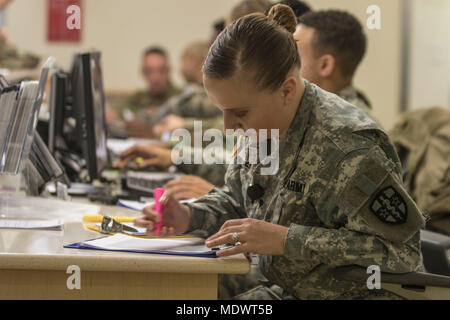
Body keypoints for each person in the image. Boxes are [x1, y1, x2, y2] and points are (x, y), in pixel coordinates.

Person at [134, 4, 425, 300]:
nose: (229, 126)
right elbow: (239, 200)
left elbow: (401, 253)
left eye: (239, 112)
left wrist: (287, 240)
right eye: (222, 111)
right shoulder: (263, 122)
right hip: (293, 290)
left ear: (286, 91)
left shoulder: (348, 148)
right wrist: (188, 215)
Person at [294, 10, 376, 120]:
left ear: (325, 65)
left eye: (294, 56)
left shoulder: (349, 127)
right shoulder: (313, 111)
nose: (285, 64)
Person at [153, 41, 222, 137]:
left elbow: (218, 123)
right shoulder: (193, 89)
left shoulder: (212, 92)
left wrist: (184, 124)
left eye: (183, 61)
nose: (180, 68)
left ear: (193, 61)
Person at [113, 46, 179, 138]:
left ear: (169, 70)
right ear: (142, 72)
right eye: (150, 71)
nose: (156, 77)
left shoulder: (181, 97)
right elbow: (116, 114)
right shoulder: (137, 98)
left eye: (161, 70)